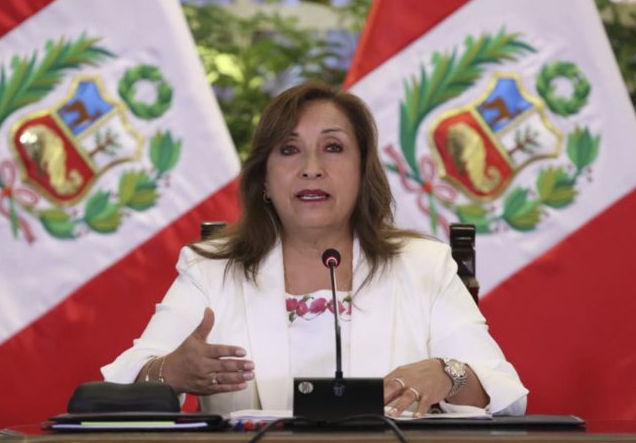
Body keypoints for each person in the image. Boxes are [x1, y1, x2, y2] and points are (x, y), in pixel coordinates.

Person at [102, 80, 528, 417]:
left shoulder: (423, 266)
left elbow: (505, 395)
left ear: (362, 171)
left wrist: (447, 374)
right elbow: (115, 391)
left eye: (333, 148)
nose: (311, 169)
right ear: (264, 179)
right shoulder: (211, 271)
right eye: (289, 150)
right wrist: (171, 372)